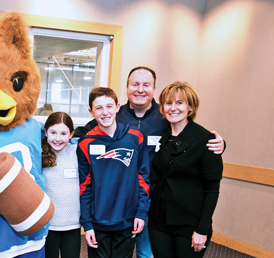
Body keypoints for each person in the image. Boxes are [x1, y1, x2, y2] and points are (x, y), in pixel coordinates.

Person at [74, 66, 225, 258]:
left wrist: (220, 144)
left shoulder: (165, 118)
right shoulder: (114, 113)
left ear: (154, 88)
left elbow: (194, 139)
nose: (140, 89)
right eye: (135, 84)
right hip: (125, 204)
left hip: (152, 198)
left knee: (146, 254)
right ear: (127, 87)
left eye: (146, 85)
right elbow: (84, 135)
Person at [148, 81, 223, 257]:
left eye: (179, 103)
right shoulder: (165, 135)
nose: (173, 108)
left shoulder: (205, 140)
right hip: (159, 222)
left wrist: (202, 229)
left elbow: (212, 190)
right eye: (168, 103)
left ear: (190, 106)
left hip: (190, 224)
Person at [77, 87, 150, 258]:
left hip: (127, 220)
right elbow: (84, 187)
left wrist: (141, 212)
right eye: (98, 108)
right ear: (91, 112)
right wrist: (87, 224)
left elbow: (143, 179)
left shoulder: (135, 137)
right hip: (98, 223)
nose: (105, 112)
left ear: (118, 107)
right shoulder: (85, 143)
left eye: (109, 106)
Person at [42, 112, 81, 258]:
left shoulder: (78, 153)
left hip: (73, 224)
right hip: (48, 225)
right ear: (45, 132)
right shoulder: (39, 154)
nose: (58, 139)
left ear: (71, 134)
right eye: (53, 132)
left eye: (63, 133)